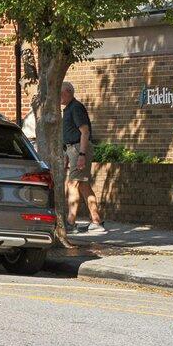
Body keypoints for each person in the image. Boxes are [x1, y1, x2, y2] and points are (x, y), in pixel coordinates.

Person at [60, 81, 102, 234]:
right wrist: (66, 154)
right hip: (73, 149)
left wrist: (82, 155)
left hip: (79, 148)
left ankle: (70, 222)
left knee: (73, 184)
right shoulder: (69, 109)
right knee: (83, 185)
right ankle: (96, 220)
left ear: (68, 92)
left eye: (61, 93)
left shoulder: (76, 108)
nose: (59, 97)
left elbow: (85, 132)